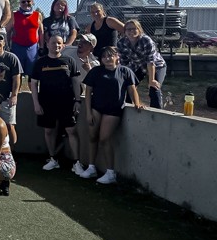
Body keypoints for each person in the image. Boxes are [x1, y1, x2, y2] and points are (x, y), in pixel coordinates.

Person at [79, 46, 144, 185]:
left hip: (113, 111)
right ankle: (91, 167)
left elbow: (132, 90)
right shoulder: (96, 71)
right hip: (96, 108)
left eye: (110, 56)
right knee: (92, 137)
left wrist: (137, 103)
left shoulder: (125, 71)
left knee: (104, 139)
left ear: (117, 57)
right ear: (101, 59)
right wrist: (89, 112)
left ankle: (110, 173)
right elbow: (88, 92)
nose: (108, 58)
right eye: (104, 56)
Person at [30, 34, 82, 172]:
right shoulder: (40, 62)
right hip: (46, 102)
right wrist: (36, 103)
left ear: (63, 45)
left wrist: (78, 100)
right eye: (53, 43)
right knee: (48, 131)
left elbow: (75, 82)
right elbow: (34, 84)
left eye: (59, 43)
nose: (56, 46)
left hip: (67, 102)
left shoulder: (69, 61)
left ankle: (76, 163)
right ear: (47, 44)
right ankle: (53, 159)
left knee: (71, 130)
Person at [116, 19, 167, 109]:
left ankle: (157, 112)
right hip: (137, 65)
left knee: (154, 88)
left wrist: (151, 80)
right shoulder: (121, 43)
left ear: (139, 29)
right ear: (124, 31)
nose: (131, 31)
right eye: (128, 29)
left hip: (156, 66)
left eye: (134, 28)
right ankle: (128, 108)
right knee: (127, 87)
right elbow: (124, 64)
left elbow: (150, 61)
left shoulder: (146, 40)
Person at [7, 0, 43, 77]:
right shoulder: (14, 15)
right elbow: (8, 31)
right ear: (19, 3)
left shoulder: (37, 15)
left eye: (28, 1)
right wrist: (8, 46)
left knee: (32, 72)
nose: (26, 3)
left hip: (32, 47)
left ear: (32, 2)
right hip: (17, 46)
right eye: (23, 2)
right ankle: (16, 90)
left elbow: (41, 31)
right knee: (17, 72)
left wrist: (41, 47)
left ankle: (33, 90)